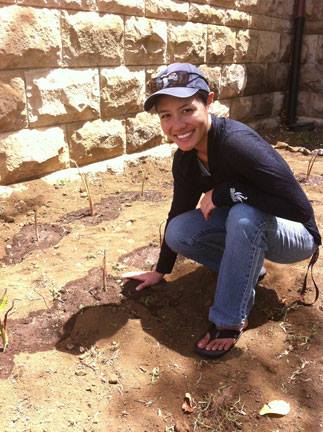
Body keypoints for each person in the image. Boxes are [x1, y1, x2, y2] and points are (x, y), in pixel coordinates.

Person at [125, 62, 321, 358]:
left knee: (245, 215)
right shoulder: (186, 160)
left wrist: (225, 192)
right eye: (166, 115)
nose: (177, 125)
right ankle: (249, 270)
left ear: (209, 101)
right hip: (255, 226)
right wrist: (160, 270)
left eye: (187, 110)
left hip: (295, 234)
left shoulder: (237, 144)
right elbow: (178, 211)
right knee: (179, 230)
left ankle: (228, 320)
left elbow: (297, 207)